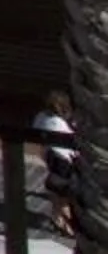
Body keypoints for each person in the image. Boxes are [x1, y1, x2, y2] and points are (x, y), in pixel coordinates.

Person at [37, 91, 78, 233]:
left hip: (51, 158)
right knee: (64, 195)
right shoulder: (59, 123)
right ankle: (67, 226)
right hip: (64, 161)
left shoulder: (41, 117)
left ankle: (57, 219)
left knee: (57, 192)